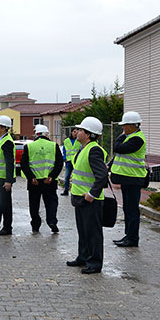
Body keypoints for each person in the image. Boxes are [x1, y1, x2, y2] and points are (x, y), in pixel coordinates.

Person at [66, 117, 108, 274]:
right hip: (79, 198)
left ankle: (95, 263)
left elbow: (102, 176)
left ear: (89, 134)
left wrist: (92, 194)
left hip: (90, 200)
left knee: (93, 233)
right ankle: (83, 257)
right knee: (83, 231)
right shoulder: (84, 148)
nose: (77, 132)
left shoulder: (94, 150)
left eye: (81, 130)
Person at [110, 111, 147, 248]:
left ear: (132, 126)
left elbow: (117, 148)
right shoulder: (130, 137)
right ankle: (128, 236)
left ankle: (132, 239)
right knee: (128, 209)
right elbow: (120, 154)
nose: (123, 128)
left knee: (132, 210)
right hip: (128, 179)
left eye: (125, 126)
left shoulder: (137, 139)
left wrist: (120, 137)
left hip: (133, 179)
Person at [21, 124, 63, 233]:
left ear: (36, 134)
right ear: (46, 134)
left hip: (34, 182)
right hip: (49, 181)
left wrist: (31, 177)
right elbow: (59, 163)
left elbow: (24, 164)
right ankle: (52, 221)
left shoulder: (29, 146)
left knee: (34, 205)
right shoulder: (54, 145)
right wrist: (52, 176)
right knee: (52, 203)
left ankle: (35, 225)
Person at [61, 127, 81, 196]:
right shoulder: (66, 141)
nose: (76, 133)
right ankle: (66, 190)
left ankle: (76, 190)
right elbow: (64, 150)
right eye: (74, 132)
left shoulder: (79, 140)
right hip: (68, 161)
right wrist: (64, 158)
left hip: (76, 161)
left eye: (77, 132)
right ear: (71, 132)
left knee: (76, 176)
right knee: (67, 176)